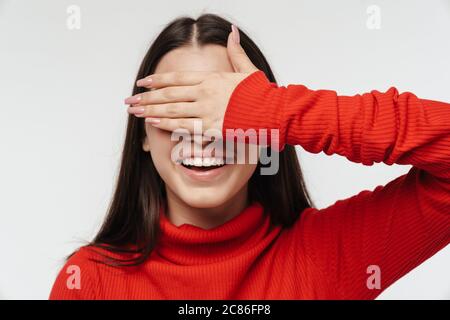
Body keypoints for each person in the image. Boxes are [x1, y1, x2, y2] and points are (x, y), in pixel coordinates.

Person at [49, 13, 450, 300]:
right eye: (178, 110)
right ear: (144, 136)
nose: (201, 137)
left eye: (220, 113)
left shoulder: (330, 256)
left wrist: (276, 110)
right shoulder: (88, 281)